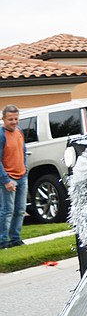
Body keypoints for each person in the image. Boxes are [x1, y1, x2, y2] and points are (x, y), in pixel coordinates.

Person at [0, 105, 27, 249]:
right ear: (3, 119)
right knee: (7, 211)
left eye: (16, 118)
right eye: (10, 119)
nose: (14, 122)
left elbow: (23, 151)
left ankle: (16, 239)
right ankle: (2, 241)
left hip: (22, 176)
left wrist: (25, 169)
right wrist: (5, 180)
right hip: (8, 178)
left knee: (20, 210)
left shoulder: (19, 131)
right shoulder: (1, 134)